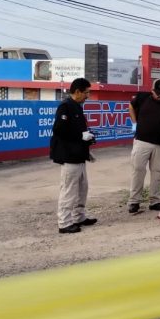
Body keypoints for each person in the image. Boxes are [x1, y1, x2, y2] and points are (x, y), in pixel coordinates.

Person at [49, 78, 98, 234]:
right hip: (69, 156)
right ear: (77, 92)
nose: (88, 96)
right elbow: (59, 130)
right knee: (69, 190)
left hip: (79, 155)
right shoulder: (65, 107)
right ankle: (64, 222)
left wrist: (87, 141)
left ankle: (79, 217)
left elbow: (79, 131)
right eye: (86, 92)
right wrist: (80, 136)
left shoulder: (77, 107)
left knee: (82, 188)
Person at [127, 79, 160, 213]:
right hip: (142, 141)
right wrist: (134, 123)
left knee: (158, 173)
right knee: (138, 170)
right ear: (152, 91)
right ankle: (134, 201)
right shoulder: (142, 97)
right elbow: (131, 107)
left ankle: (155, 201)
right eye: (158, 93)